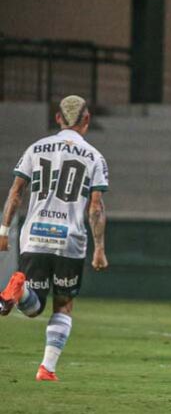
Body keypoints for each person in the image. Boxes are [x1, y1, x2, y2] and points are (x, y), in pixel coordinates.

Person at [0, 95, 109, 381]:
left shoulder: (36, 148)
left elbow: (15, 192)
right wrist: (99, 248)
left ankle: (19, 290)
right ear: (86, 120)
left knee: (34, 306)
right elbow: (95, 207)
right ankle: (46, 368)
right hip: (69, 240)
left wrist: (3, 230)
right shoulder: (95, 157)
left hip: (34, 236)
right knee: (64, 304)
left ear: (58, 119)